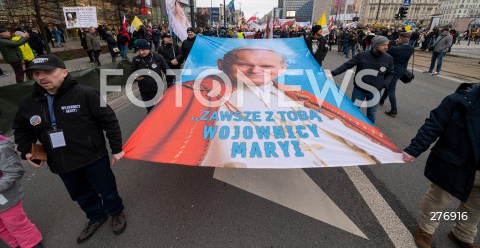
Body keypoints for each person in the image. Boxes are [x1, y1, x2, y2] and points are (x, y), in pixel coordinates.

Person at [124, 46, 402, 168]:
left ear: (281, 69)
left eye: (267, 66)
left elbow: (345, 131)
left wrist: (387, 151)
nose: (255, 71)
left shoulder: (302, 96)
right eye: (245, 64)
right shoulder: (191, 92)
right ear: (223, 66)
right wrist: (126, 149)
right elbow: (162, 130)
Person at [12, 54, 127, 244]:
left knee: (106, 188)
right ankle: (96, 216)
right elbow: (21, 130)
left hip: (93, 156)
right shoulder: (27, 103)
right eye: (37, 73)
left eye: (48, 72)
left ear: (64, 72)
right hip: (60, 161)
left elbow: (109, 120)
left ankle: (116, 212)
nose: (42, 77)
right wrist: (27, 151)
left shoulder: (86, 94)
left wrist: (116, 148)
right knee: (79, 193)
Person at [402, 83, 480, 248]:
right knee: (438, 199)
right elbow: (433, 125)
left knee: (475, 207)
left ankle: (462, 234)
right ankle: (426, 230)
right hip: (455, 164)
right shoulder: (459, 101)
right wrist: (414, 149)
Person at [331, 35, 394, 124]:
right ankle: (350, 127)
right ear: (376, 45)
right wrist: (333, 73)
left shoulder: (388, 58)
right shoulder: (362, 55)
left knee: (372, 114)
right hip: (359, 90)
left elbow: (390, 73)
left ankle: (369, 132)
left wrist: (385, 83)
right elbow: (347, 65)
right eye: (384, 45)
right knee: (354, 111)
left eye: (387, 45)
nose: (387, 47)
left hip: (375, 91)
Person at [0, 134, 43, 248]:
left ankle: (31, 244)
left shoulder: (2, 147)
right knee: (1, 229)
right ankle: (16, 245)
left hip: (6, 198)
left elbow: (14, 171)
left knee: (16, 224)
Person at [379, 32, 414, 117]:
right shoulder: (411, 48)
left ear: (400, 39)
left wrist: (394, 44)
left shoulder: (395, 48)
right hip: (402, 71)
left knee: (391, 89)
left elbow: (386, 54)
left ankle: (394, 109)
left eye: (399, 38)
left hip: (393, 70)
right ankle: (382, 100)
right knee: (390, 85)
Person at [131, 39, 169, 113]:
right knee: (150, 111)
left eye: (143, 50)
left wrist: (174, 80)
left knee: (160, 109)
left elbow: (167, 70)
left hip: (158, 89)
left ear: (148, 48)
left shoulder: (158, 57)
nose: (141, 52)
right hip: (144, 90)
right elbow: (132, 73)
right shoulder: (136, 59)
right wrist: (135, 77)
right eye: (139, 50)